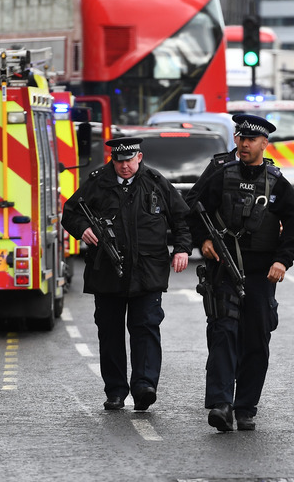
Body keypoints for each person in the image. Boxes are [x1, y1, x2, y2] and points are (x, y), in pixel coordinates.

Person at [186, 114, 294, 432]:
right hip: (224, 270)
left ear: (264, 144)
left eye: (251, 140)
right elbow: (193, 208)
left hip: (260, 274)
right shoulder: (221, 176)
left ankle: (246, 406)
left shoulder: (276, 182)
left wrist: (283, 260)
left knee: (256, 340)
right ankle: (222, 404)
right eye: (240, 138)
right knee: (223, 333)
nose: (244, 144)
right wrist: (204, 239)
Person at [61, 137, 192, 412]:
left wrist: (182, 249)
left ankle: (144, 387)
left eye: (129, 161)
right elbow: (71, 213)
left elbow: (182, 217)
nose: (123, 166)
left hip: (148, 272)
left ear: (139, 157)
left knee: (145, 328)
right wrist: (82, 228)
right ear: (113, 159)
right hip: (107, 272)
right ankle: (116, 391)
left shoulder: (155, 182)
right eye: (118, 161)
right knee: (110, 334)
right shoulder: (99, 182)